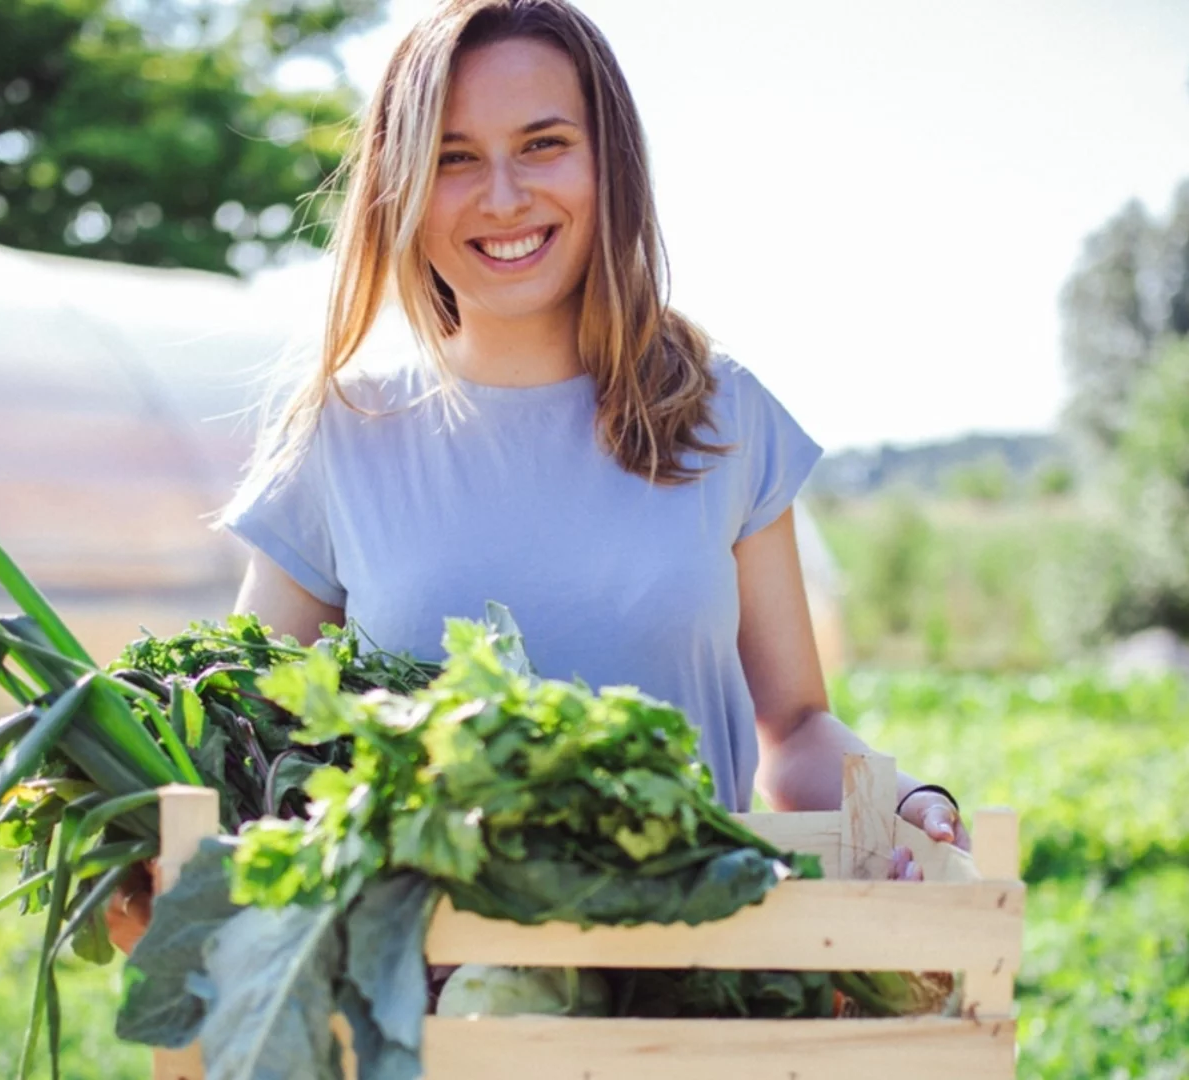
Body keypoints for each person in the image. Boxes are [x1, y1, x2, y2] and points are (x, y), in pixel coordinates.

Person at [107, 0, 966, 954]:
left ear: (610, 165)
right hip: (427, 1010)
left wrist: (900, 800)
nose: (504, 197)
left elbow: (796, 726)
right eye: (454, 157)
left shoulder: (722, 414)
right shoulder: (342, 436)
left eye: (543, 145)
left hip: (690, 990)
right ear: (401, 186)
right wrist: (151, 851)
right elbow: (247, 740)